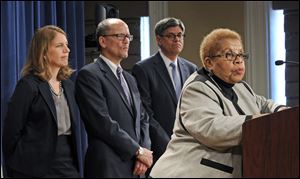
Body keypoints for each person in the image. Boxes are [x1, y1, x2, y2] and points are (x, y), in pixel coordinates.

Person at [149, 28, 288, 178]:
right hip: (186, 172)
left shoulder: (241, 87)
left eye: (241, 54)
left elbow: (262, 104)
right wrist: (257, 122)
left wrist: (282, 111)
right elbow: (213, 129)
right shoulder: (196, 88)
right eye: (229, 55)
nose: (238, 60)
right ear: (209, 63)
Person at [75, 18, 153, 178]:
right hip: (108, 167)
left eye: (129, 37)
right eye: (120, 36)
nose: (127, 41)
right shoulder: (89, 75)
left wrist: (143, 153)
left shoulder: (130, 78)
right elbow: (101, 122)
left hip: (137, 167)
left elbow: (143, 118)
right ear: (103, 41)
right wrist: (137, 151)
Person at [2, 25, 81, 178]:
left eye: (67, 45)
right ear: (43, 52)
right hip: (34, 168)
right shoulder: (28, 85)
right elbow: (11, 133)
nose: (67, 50)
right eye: (59, 46)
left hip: (67, 164)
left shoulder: (69, 85)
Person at [131, 17, 198, 168]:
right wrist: (168, 142)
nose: (177, 39)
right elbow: (146, 113)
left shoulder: (191, 68)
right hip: (160, 147)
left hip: (189, 145)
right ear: (159, 40)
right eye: (171, 35)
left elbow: (195, 107)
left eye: (180, 35)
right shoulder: (143, 69)